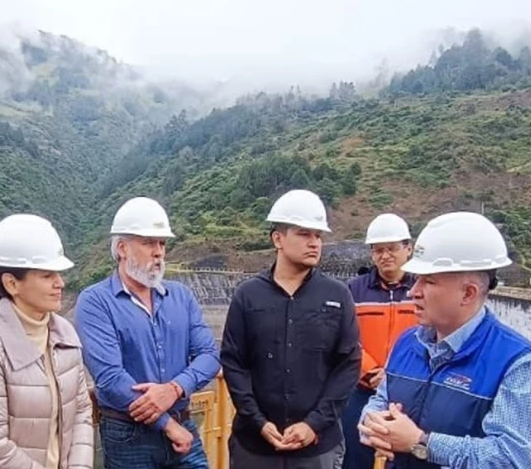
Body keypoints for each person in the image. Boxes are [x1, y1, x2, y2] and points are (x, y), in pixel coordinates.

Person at [359, 211, 531, 469]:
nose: (413, 291)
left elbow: (512, 458)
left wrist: (421, 443)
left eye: (428, 281)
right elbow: (379, 401)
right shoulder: (407, 342)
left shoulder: (515, 363)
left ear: (468, 293)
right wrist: (372, 424)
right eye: (416, 280)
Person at [74, 196, 220, 469]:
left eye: (162, 243)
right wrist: (166, 424)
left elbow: (209, 355)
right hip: (129, 435)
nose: (158, 252)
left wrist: (175, 389)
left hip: (183, 424)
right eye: (148, 242)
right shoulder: (95, 301)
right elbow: (109, 378)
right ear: (121, 248)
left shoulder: (182, 296)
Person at [221, 189, 361, 469]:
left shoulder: (337, 295)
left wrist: (313, 424)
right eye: (304, 234)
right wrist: (258, 421)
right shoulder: (248, 296)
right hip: (255, 448)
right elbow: (234, 363)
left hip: (317, 447)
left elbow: (348, 365)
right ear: (278, 238)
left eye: (318, 236)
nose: (314, 243)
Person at [0, 214, 94, 469]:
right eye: (47, 275)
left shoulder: (64, 334)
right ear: (11, 283)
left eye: (59, 274)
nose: (60, 283)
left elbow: (82, 412)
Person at [341, 213, 416, 469]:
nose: (385, 255)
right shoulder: (354, 290)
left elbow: (431, 338)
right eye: (378, 250)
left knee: (408, 457)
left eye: (392, 248)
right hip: (362, 388)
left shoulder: (423, 288)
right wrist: (372, 370)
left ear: (408, 248)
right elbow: (345, 337)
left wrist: (394, 375)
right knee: (355, 456)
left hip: (410, 391)